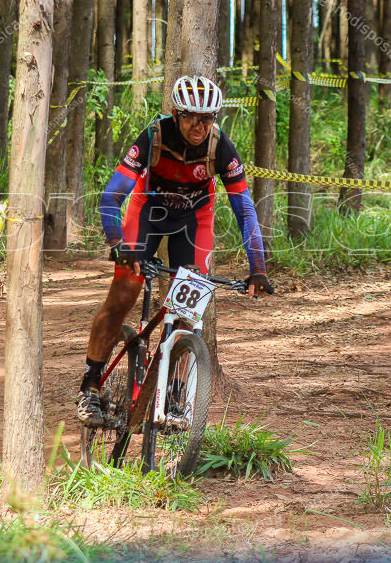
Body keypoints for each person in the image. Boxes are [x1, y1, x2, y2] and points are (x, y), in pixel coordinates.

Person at [77, 75, 273, 426]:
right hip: (148, 216)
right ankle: (90, 383)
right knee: (123, 295)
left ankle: (175, 394)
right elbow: (111, 196)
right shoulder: (154, 136)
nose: (200, 125)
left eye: (208, 117)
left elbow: (244, 210)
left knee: (190, 306)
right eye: (191, 116)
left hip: (193, 222)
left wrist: (258, 268)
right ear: (175, 113)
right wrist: (117, 244)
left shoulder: (220, 146)